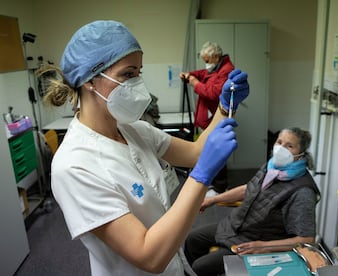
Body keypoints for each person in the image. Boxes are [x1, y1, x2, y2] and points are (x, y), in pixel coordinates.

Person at [36, 20, 249, 276]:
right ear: (89, 80)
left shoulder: (134, 130)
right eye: (127, 74)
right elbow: (148, 256)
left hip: (175, 265)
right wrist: (201, 177)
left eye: (139, 73)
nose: (137, 84)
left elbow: (195, 153)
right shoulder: (74, 165)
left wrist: (225, 108)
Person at [184, 127, 320, 276]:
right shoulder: (272, 167)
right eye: (279, 142)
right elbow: (248, 189)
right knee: (192, 240)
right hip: (235, 226)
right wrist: (213, 199)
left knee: (201, 266)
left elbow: (307, 239)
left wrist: (263, 247)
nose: (281, 149)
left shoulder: (303, 191)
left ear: (301, 155)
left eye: (289, 146)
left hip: (255, 241)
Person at [180, 41, 235, 196]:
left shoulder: (226, 71)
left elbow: (212, 92)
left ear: (216, 57)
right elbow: (202, 74)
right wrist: (190, 74)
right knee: (211, 149)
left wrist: (195, 83)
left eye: (207, 60)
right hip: (210, 118)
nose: (205, 64)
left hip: (217, 118)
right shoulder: (215, 68)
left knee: (218, 149)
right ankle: (215, 183)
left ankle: (220, 187)